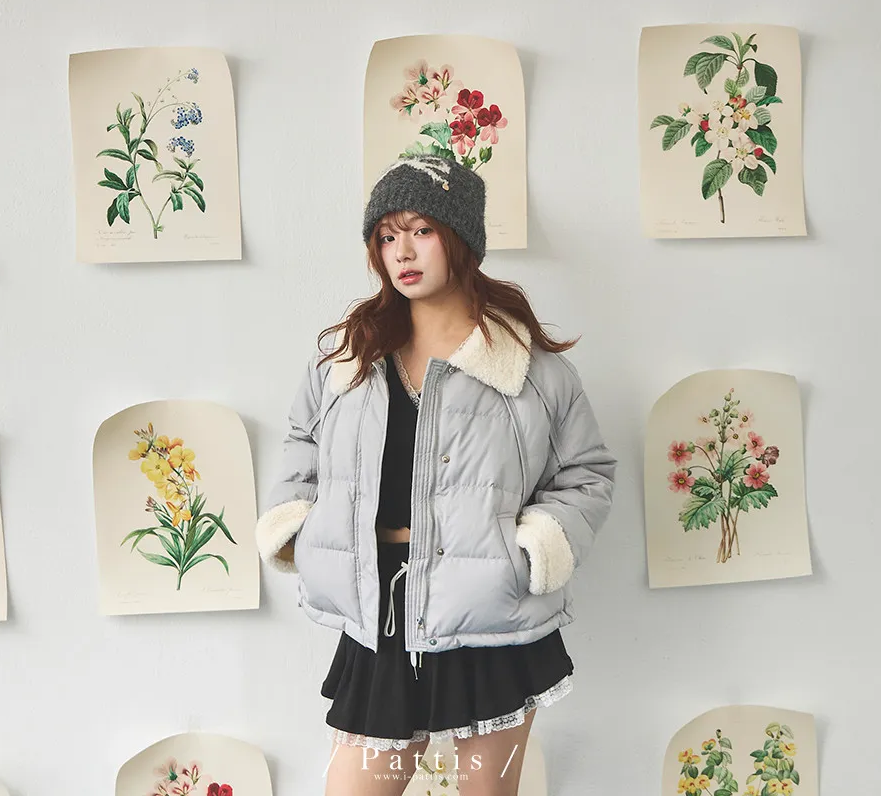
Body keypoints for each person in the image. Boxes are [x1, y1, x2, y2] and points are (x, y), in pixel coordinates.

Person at [254, 154, 618, 796]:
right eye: (386, 236)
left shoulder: (530, 369)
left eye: (421, 230)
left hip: (488, 612)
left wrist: (534, 550)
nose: (402, 252)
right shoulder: (347, 357)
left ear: (460, 237)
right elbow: (301, 443)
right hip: (379, 609)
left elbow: (586, 474)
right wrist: (299, 527)